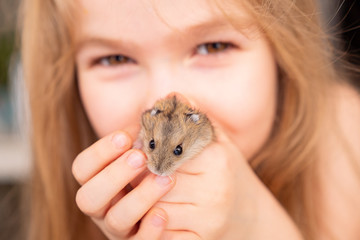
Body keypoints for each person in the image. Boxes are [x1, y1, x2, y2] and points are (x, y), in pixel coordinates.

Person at [20, 0, 360, 239]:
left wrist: (250, 223)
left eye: (213, 46)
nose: (170, 100)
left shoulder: (345, 137)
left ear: (284, 55)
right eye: (116, 58)